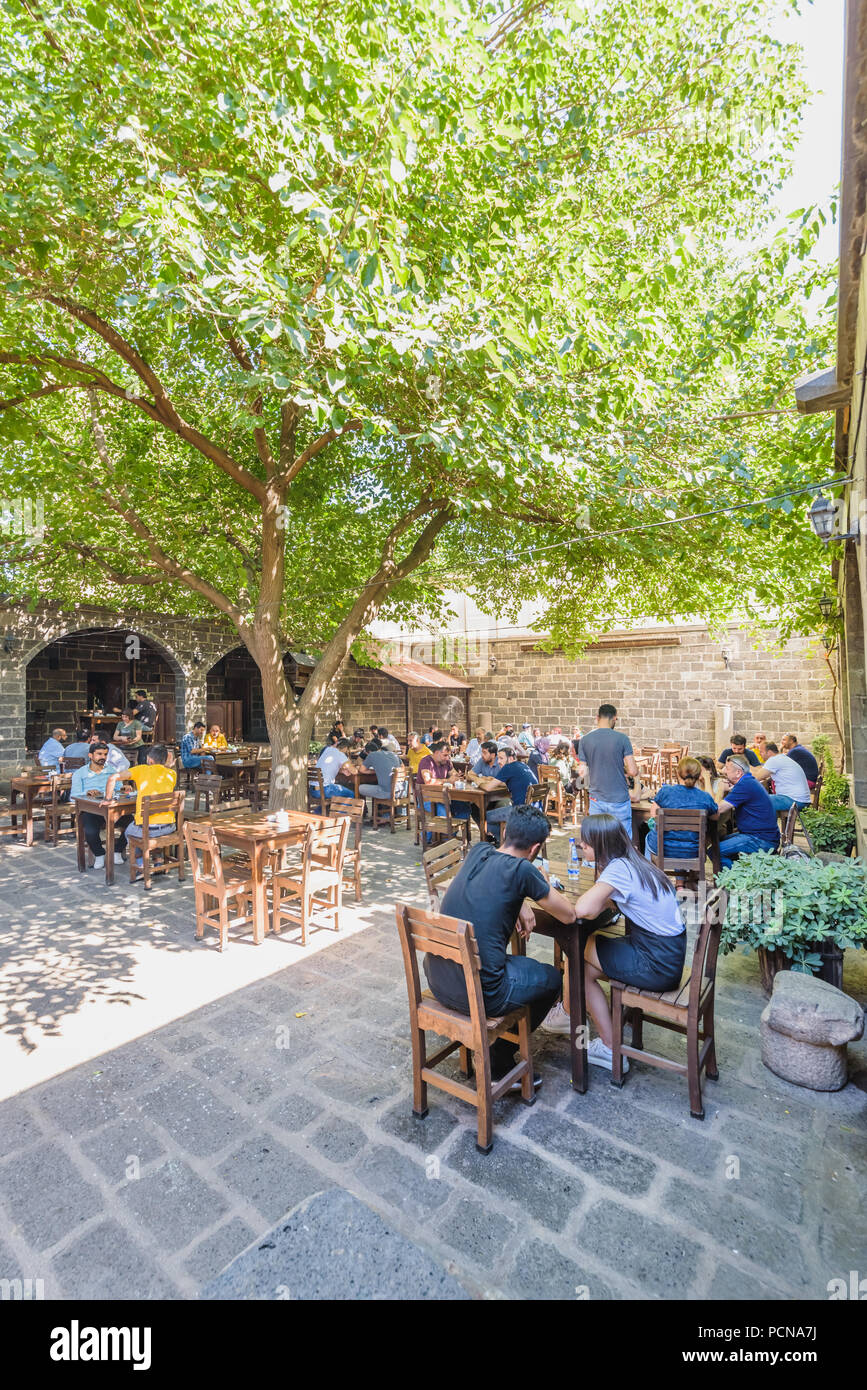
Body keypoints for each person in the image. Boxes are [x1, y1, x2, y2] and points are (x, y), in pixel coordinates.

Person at [425, 805, 573, 1085]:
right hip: (481, 995)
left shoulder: (479, 851)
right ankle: (500, 1061)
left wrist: (519, 903)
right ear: (535, 849)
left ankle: (494, 1049)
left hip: (438, 978)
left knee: (521, 969)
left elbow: (482, 889)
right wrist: (535, 881)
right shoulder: (524, 870)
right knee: (553, 979)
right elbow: (568, 914)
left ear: (505, 831)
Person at [542, 814, 686, 1071]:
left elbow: (584, 909)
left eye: (585, 843)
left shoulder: (618, 869)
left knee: (574, 949)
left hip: (656, 963)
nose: (582, 847)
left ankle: (605, 1044)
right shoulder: (634, 860)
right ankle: (572, 1016)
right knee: (582, 965)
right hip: (667, 954)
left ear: (599, 845)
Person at [576, 703, 642, 840]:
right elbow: (632, 770)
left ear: (597, 717)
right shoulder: (622, 739)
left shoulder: (584, 740)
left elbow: (582, 773)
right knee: (623, 842)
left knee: (598, 841)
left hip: (596, 798)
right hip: (619, 799)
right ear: (614, 719)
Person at [70, 742, 133, 869]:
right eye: (99, 754)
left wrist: (124, 789)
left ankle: (117, 850)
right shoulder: (80, 773)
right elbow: (73, 796)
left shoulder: (111, 770)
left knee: (133, 823)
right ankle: (99, 853)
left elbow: (118, 790)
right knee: (90, 831)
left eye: (105, 754)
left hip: (112, 810)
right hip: (91, 810)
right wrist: (86, 793)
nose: (102, 757)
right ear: (90, 755)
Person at [644, 757, 719, 861]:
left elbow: (654, 814)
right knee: (685, 836)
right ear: (698, 775)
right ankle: (683, 877)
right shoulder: (705, 797)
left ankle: (650, 875)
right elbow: (715, 817)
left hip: (664, 848)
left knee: (649, 838)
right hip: (692, 850)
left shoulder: (666, 792)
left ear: (678, 773)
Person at [716, 755, 780, 867]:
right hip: (761, 835)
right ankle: (737, 871)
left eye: (727, 768)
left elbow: (717, 808)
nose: (724, 771)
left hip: (761, 839)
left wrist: (721, 789)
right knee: (719, 840)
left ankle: (733, 880)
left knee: (715, 851)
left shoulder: (744, 785)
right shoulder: (748, 781)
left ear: (738, 773)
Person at [123, 744, 178, 867]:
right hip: (169, 826)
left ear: (150, 759)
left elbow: (115, 777)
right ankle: (158, 861)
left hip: (149, 829)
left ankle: (141, 864)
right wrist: (168, 767)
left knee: (130, 832)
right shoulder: (172, 774)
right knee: (146, 831)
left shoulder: (141, 769)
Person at [485, 743, 538, 845]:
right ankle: (507, 841)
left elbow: (488, 788)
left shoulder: (508, 767)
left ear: (510, 759)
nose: (498, 761)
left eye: (501, 758)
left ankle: (506, 843)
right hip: (535, 810)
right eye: (498, 759)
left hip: (521, 811)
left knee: (486, 817)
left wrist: (478, 783)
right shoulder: (523, 765)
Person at [416, 739, 469, 837]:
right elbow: (428, 781)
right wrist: (448, 781)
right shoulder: (426, 762)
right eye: (445, 755)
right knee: (444, 813)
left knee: (465, 808)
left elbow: (454, 774)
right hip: (427, 799)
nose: (447, 758)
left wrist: (457, 776)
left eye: (448, 755)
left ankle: (448, 837)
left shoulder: (447, 762)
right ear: (436, 753)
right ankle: (431, 839)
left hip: (444, 797)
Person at [752, 742, 811, 814]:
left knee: (755, 800)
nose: (760, 754)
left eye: (761, 752)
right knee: (761, 798)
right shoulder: (780, 758)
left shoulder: (774, 760)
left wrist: (745, 767)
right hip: (800, 800)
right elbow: (761, 770)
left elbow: (757, 777)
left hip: (795, 801)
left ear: (769, 752)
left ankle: (761, 824)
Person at [361, 738, 404, 805]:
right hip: (402, 791)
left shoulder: (371, 755)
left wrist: (375, 771)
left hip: (387, 792)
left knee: (360, 788)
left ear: (368, 752)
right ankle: (389, 813)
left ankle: (363, 811)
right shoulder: (393, 754)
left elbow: (362, 770)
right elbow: (403, 767)